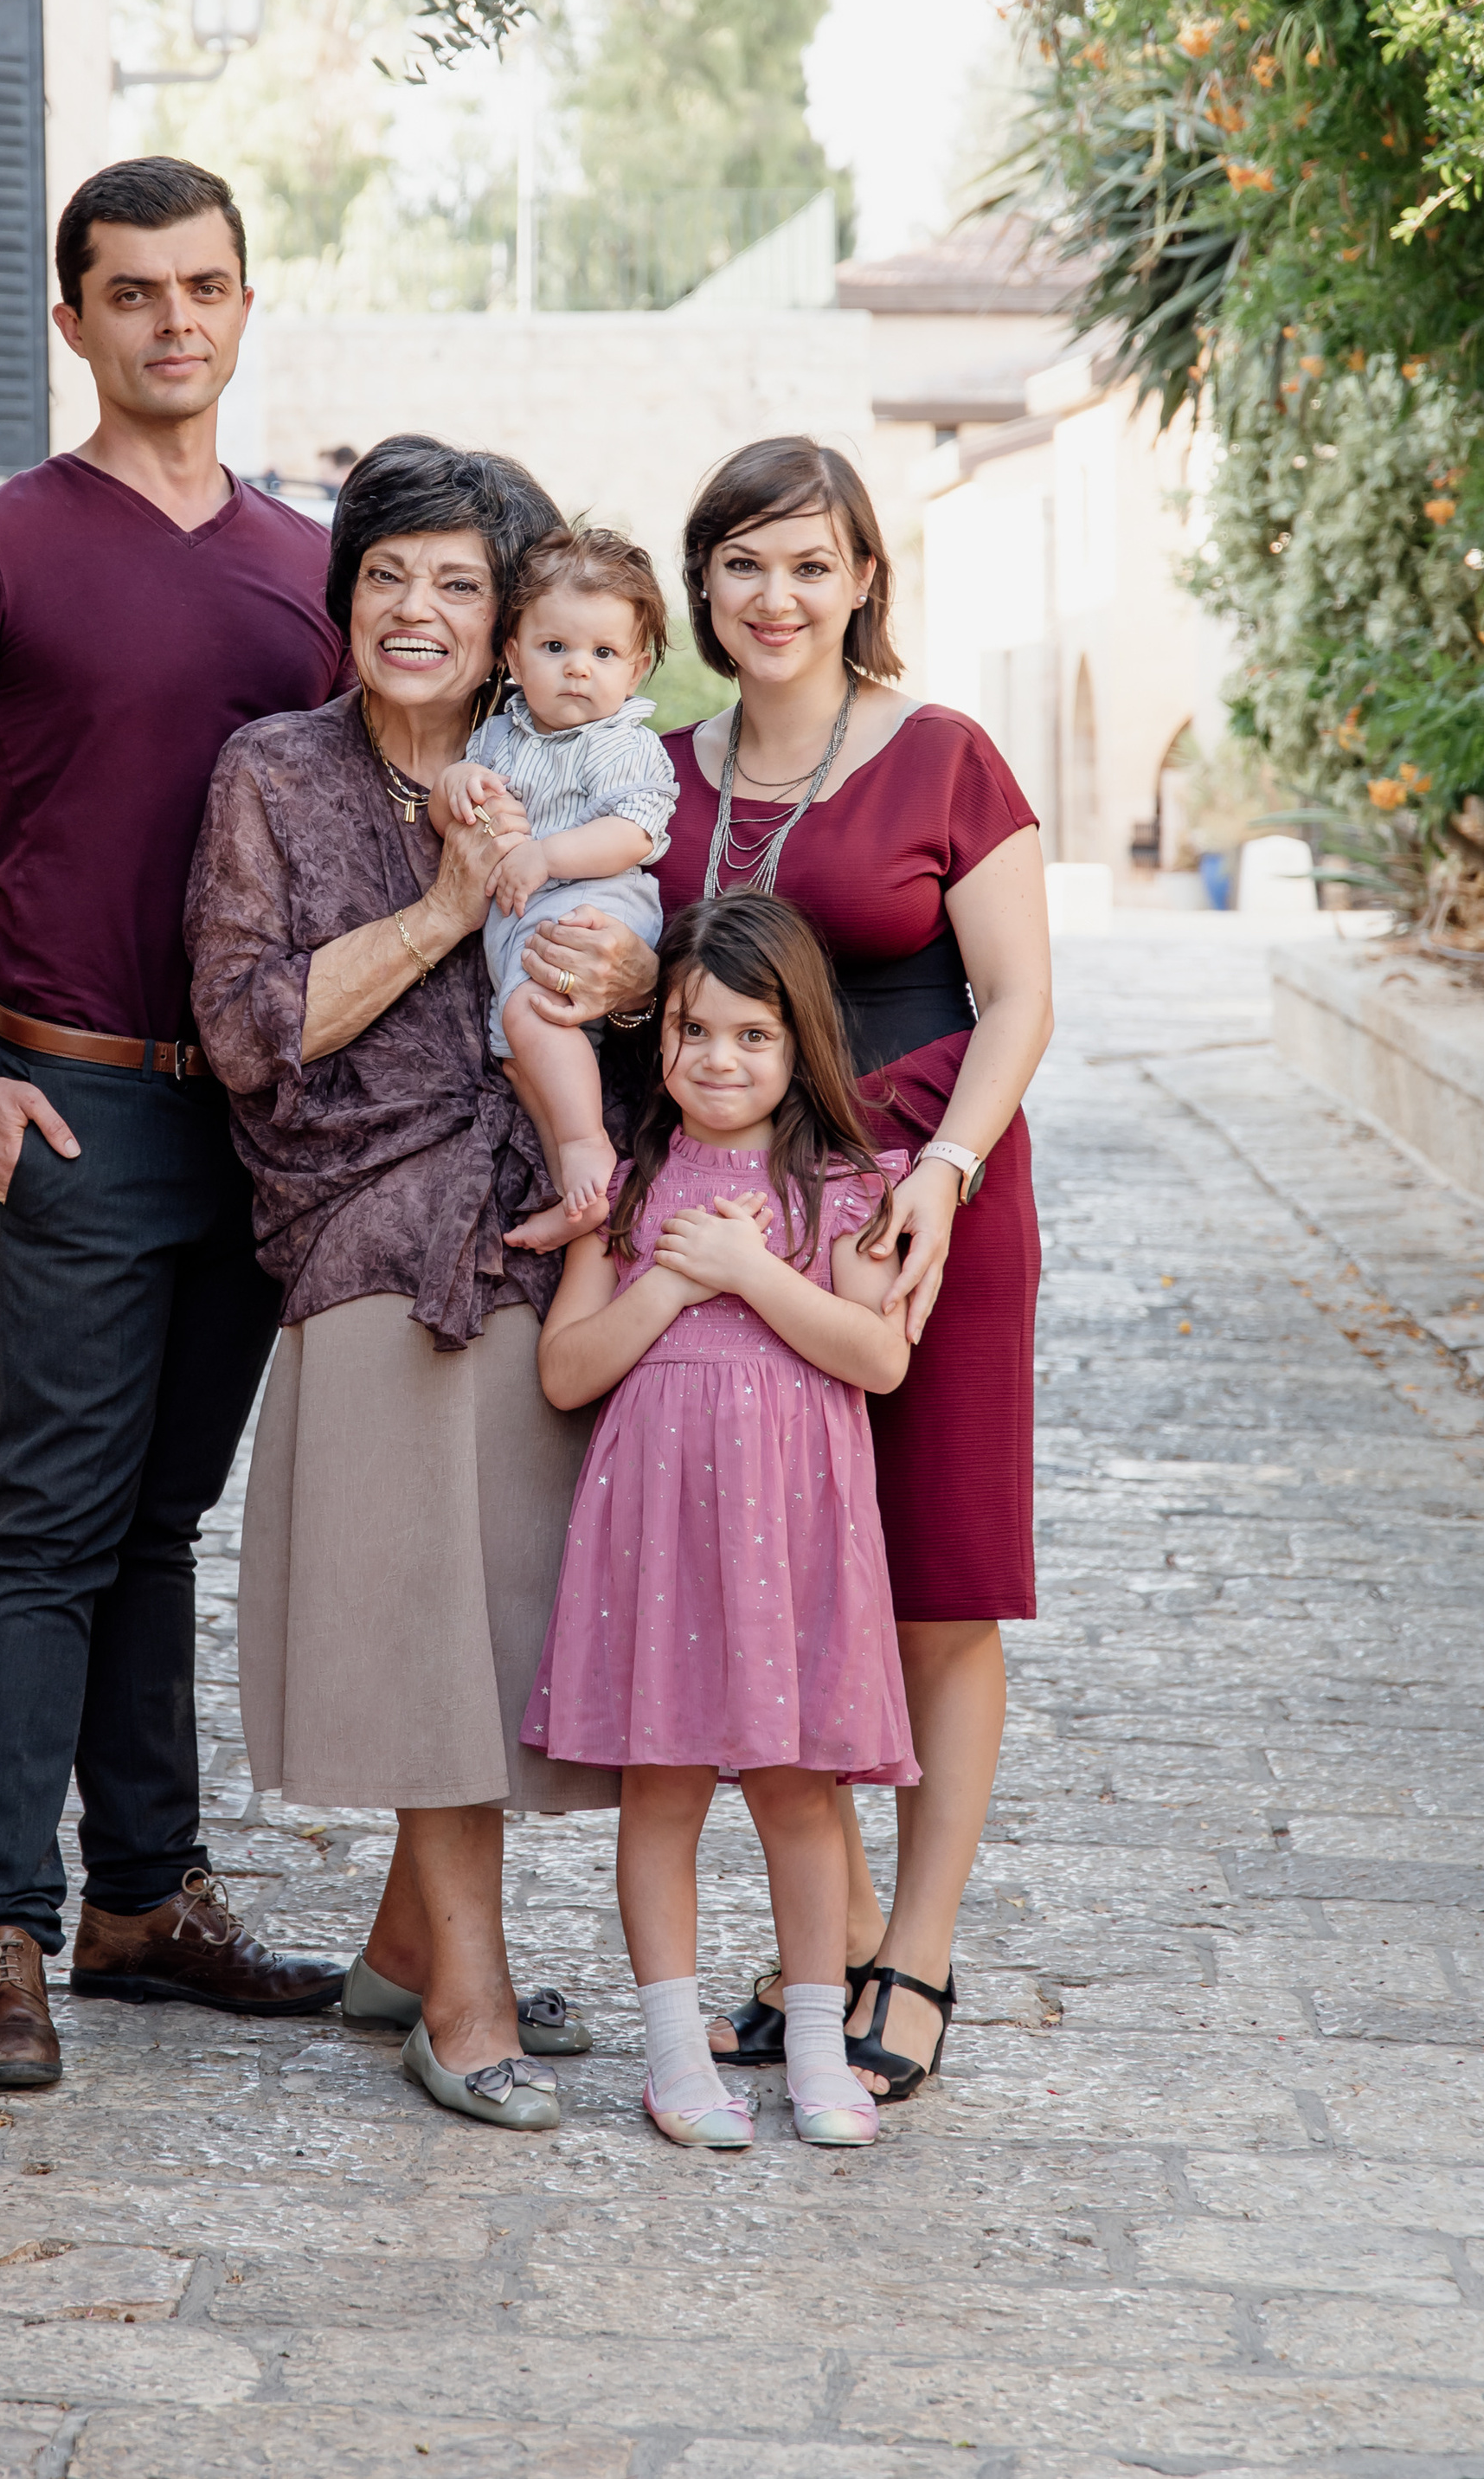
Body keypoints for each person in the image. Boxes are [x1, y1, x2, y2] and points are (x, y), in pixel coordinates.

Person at [0, 155, 350, 2095]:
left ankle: (148, 1898)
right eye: (129, 291)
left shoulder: (310, 574)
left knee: (160, 1523)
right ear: (70, 321)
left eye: (201, 286)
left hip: (245, 1125)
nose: (169, 320)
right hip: (62, 1101)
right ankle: (1, 1932)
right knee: (48, 1526)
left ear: (243, 305)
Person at [516, 435, 1052, 2102]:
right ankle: (832, 1932)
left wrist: (946, 1179)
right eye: (744, 562)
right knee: (794, 1569)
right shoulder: (660, 775)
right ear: (704, 586)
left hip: (920, 1195)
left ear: (864, 579)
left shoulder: (947, 754)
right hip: (736, 1205)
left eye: (811, 562)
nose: (777, 594)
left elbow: (1020, 1001)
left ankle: (919, 1956)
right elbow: (649, 989)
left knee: (934, 1586)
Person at [185, 435, 618, 2141]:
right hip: (361, 1227)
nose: (417, 611)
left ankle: (399, 1941)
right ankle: (466, 1993)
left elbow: (646, 961)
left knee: (494, 1613)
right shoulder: (274, 775)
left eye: (456, 582)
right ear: (342, 593)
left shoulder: (571, 764)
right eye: (387, 576)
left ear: (508, 613)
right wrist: (450, 903)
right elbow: (247, 1028)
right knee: (427, 1619)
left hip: (527, 1223)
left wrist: (630, 955)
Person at [525, 894, 915, 2153]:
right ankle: (677, 2055)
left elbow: (877, 1352)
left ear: (801, 1041)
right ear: (664, 1038)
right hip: (663, 1541)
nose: (720, 1058)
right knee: (667, 1788)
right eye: (695, 1028)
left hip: (795, 1536)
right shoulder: (631, 1183)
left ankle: (814, 2042)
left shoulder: (847, 1186)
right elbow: (567, 1370)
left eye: (754, 1033)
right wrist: (678, 1276)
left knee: (803, 1792)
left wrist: (755, 1272)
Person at [427, 525, 676, 1250]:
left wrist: (544, 855)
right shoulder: (500, 736)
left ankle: (586, 1146)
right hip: (522, 920)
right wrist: (455, 785)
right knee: (516, 1047)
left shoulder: (621, 742)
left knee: (537, 1013)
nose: (577, 670)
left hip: (592, 905)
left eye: (603, 654)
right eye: (555, 648)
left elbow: (634, 830)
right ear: (511, 655)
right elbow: (452, 817)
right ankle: (583, 1183)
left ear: (636, 669)